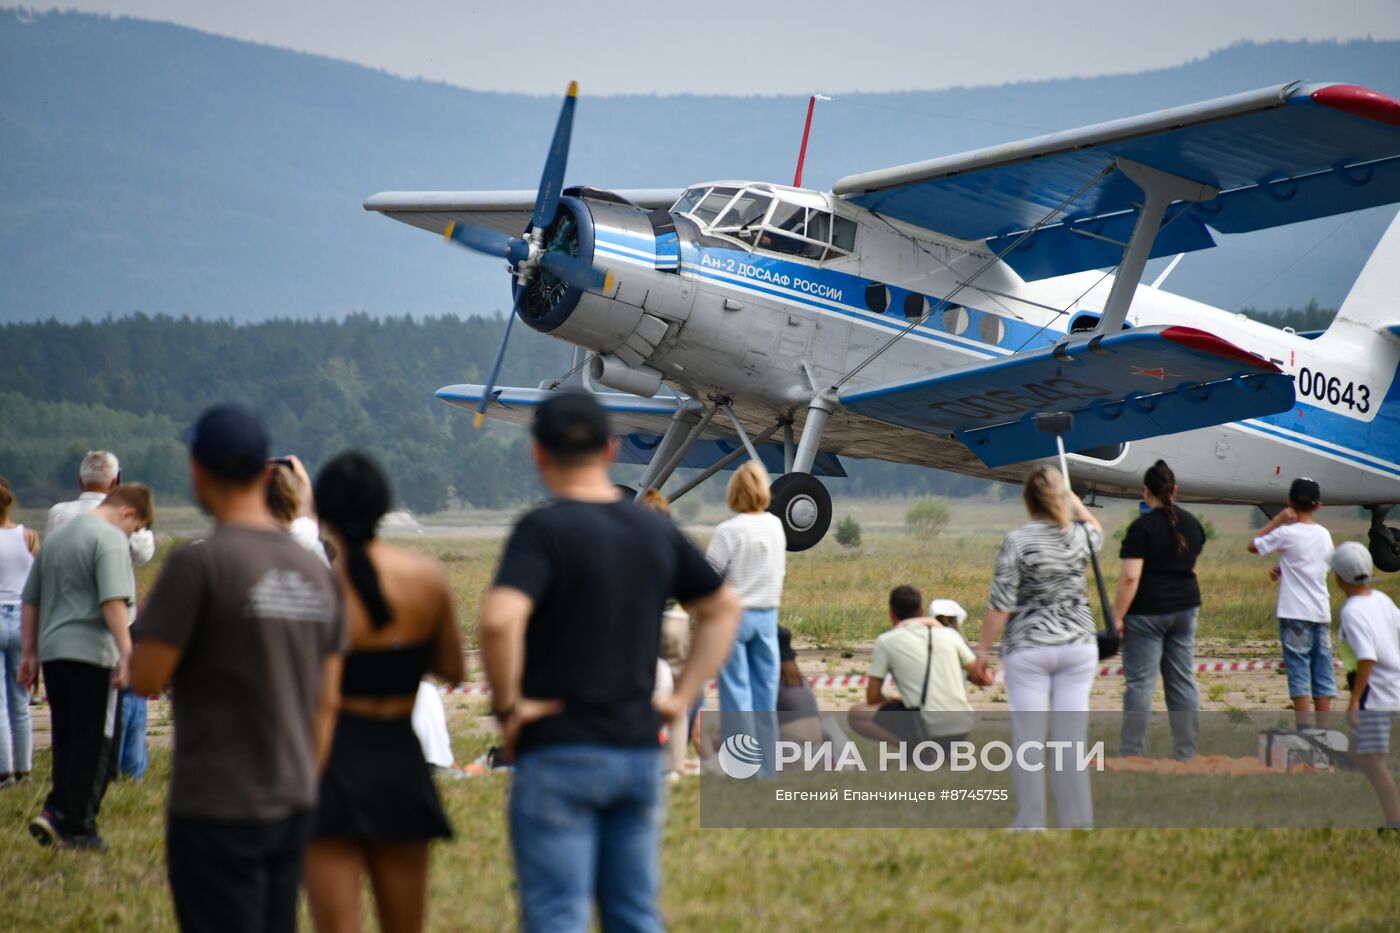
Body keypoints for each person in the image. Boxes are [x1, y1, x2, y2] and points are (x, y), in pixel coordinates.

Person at [478, 392, 739, 933]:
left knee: (557, 914)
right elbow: (722, 607)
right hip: (637, 752)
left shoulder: (541, 530)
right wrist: (680, 698)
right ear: (611, 448)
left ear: (538, 455)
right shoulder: (652, 528)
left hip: (559, 746)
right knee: (635, 914)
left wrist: (509, 706)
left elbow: (500, 621)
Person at [129, 405, 345, 932]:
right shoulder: (317, 570)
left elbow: (144, 677)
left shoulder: (197, 563)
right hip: (293, 800)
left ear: (198, 470)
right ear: (267, 473)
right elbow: (329, 700)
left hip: (216, 803)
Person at [303, 452, 465, 933]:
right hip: (399, 761)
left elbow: (321, 699)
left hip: (334, 763)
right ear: (382, 508)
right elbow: (452, 667)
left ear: (323, 516)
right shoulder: (424, 578)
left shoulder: (316, 589)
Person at [19, 483, 153, 849]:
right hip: (94, 653)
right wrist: (128, 654)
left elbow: (31, 598)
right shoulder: (109, 539)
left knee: (66, 737)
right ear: (127, 513)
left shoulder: (58, 538)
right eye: (136, 527)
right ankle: (79, 827)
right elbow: (113, 601)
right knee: (96, 743)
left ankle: (55, 812)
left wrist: (29, 652)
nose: (132, 535)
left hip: (53, 652)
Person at [972, 465, 1103, 830]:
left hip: (1030, 644)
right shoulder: (1078, 536)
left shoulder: (1018, 541)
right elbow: (1096, 529)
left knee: (1029, 738)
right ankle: (1077, 820)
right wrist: (1075, 503)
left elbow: (1001, 603)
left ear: (1029, 500)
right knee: (1070, 739)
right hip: (1077, 643)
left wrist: (982, 651)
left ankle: (1031, 821)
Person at [48, 450, 156, 780]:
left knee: (69, 706)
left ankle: (66, 771)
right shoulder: (124, 514)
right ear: (115, 481)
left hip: (67, 618)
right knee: (122, 700)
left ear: (81, 480)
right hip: (117, 617)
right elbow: (145, 553)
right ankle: (125, 765)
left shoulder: (58, 514)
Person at [1113, 460, 1207, 760]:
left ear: (1145, 491)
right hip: (1185, 609)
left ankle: (1131, 752)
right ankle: (1186, 752)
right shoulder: (1192, 523)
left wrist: (1117, 617)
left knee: (1141, 684)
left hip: (1146, 613)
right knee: (1182, 681)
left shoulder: (1141, 528)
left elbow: (1130, 578)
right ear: (1175, 490)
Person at [706, 460, 786, 756]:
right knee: (765, 696)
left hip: (734, 618)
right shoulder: (776, 526)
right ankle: (767, 767)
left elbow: (709, 575)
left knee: (736, 695)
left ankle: (741, 764)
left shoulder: (728, 531)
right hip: (768, 615)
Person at [1248, 477, 1337, 730]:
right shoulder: (1324, 534)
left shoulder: (1286, 532)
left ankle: (1304, 729)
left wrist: (1276, 521)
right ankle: (1323, 731)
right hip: (1320, 611)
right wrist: (1287, 569)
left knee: (1299, 671)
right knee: (1322, 673)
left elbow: (1253, 546)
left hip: (1294, 612)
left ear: (1289, 501)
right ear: (1318, 505)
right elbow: (1324, 565)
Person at [850, 586, 987, 749]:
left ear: (891, 614)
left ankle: (913, 747)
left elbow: (872, 697)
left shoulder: (886, 641)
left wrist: (893, 699)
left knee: (857, 714)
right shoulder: (951, 636)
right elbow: (984, 678)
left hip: (921, 723)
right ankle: (934, 752)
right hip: (961, 725)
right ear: (922, 610)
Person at [1331, 541, 1400, 834]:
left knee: (1376, 763)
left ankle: (1395, 821)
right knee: (1360, 753)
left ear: (1339, 577)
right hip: (1394, 684)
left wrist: (1355, 701)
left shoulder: (1352, 611)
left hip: (1376, 695)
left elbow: (1366, 658)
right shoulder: (1381, 599)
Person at [0, 477, 39, 789]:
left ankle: (4, 771)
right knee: (20, 699)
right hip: (23, 620)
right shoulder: (28, 536)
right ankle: (25, 768)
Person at [267, 455, 330, 567]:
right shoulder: (310, 539)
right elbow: (309, 517)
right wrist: (303, 480)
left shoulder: (249, 544)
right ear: (292, 496)